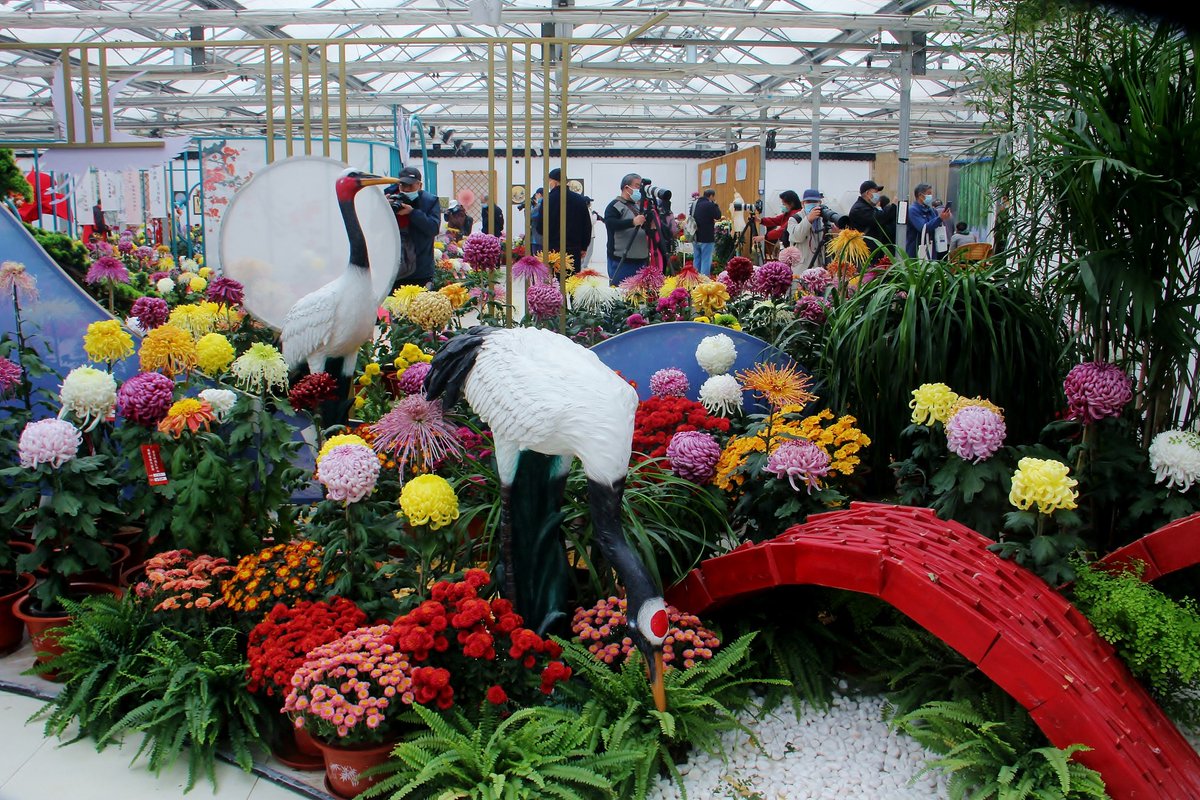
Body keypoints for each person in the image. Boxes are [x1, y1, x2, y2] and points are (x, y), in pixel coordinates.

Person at [384, 165, 442, 288]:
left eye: (410, 186)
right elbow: (373, 228)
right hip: (394, 269)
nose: (405, 189)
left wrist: (413, 213)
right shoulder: (389, 197)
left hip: (420, 269)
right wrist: (383, 209)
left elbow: (433, 228)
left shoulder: (430, 201)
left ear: (419, 185)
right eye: (402, 185)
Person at [603, 173, 649, 285]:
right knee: (621, 294)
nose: (639, 189)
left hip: (641, 259)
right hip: (621, 260)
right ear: (626, 187)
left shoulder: (638, 207)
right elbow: (610, 223)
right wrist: (632, 222)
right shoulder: (615, 205)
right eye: (637, 186)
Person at [545, 167, 592, 273]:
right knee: (572, 283)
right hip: (574, 250)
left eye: (549, 181)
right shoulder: (579, 200)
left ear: (555, 182)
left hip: (553, 250)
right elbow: (587, 226)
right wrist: (584, 246)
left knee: (554, 283)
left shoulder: (548, 200)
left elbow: (540, 227)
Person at [787, 188, 834, 272]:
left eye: (815, 202)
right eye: (808, 202)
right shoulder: (795, 219)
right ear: (802, 204)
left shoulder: (823, 219)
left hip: (821, 268)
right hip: (802, 269)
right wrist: (808, 219)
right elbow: (797, 236)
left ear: (820, 203)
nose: (812, 204)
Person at [845, 179, 898, 251]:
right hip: (865, 252)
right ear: (867, 193)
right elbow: (880, 218)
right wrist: (893, 205)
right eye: (876, 192)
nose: (878, 195)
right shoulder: (859, 209)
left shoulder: (867, 207)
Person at [905, 183, 952, 260]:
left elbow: (934, 224)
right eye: (928, 194)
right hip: (917, 250)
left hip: (931, 248)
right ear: (920, 195)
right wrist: (940, 218)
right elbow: (923, 227)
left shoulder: (931, 210)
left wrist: (943, 218)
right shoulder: (912, 210)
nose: (930, 196)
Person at [691, 188, 722, 276]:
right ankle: (704, 281)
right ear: (711, 196)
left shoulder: (694, 204)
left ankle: (695, 280)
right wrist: (715, 204)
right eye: (714, 197)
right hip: (707, 237)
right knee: (706, 259)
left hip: (695, 236)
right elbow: (718, 216)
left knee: (696, 259)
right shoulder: (710, 205)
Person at [526, 187, 544, 252]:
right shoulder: (548, 203)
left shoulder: (540, 205)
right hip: (546, 236)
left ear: (539, 194)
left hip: (537, 237)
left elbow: (529, 216)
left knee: (537, 258)